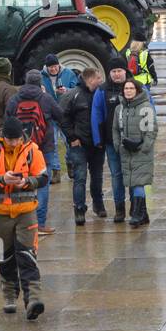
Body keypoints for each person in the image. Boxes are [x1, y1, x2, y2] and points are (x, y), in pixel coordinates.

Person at [0, 117, 48, 319]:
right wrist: (2, 180)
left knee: (27, 254)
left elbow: (43, 177)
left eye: (17, 139)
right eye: (10, 139)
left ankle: (33, 298)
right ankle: (9, 294)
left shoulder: (32, 149)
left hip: (26, 211)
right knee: (2, 255)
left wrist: (25, 182)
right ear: (2, 136)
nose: (14, 143)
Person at [7, 69, 66, 234]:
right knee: (42, 184)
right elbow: (60, 115)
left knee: (20, 182)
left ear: (25, 81)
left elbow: (8, 122)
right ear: (40, 82)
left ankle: (21, 221)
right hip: (43, 147)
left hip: (20, 148)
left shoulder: (14, 99)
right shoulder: (45, 98)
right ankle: (39, 224)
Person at [61, 66, 106, 225]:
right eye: (99, 78)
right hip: (79, 144)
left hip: (97, 145)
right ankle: (79, 209)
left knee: (97, 177)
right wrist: (72, 137)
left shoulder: (101, 94)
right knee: (80, 178)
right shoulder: (73, 95)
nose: (101, 81)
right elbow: (63, 118)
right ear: (90, 79)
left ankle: (98, 205)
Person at [113, 77, 157, 227]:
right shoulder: (119, 108)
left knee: (138, 183)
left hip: (141, 152)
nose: (128, 91)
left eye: (131, 88)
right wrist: (118, 145)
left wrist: (144, 148)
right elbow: (115, 129)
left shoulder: (146, 107)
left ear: (137, 90)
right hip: (126, 151)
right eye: (126, 88)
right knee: (132, 182)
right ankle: (143, 214)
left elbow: (151, 130)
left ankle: (137, 214)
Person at [92, 59, 132, 222]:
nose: (116, 74)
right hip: (111, 142)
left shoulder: (133, 87)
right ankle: (120, 209)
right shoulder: (102, 91)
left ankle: (137, 208)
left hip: (133, 142)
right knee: (116, 176)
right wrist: (98, 139)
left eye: (119, 71)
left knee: (134, 176)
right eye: (113, 71)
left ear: (125, 71)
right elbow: (96, 115)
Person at [40, 53, 80, 184]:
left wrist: (67, 90)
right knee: (53, 143)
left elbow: (77, 89)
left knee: (69, 142)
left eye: (55, 66)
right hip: (50, 115)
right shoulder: (41, 76)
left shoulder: (68, 73)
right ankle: (56, 171)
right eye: (50, 67)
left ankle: (70, 164)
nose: (53, 69)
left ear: (58, 64)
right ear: (47, 67)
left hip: (65, 114)